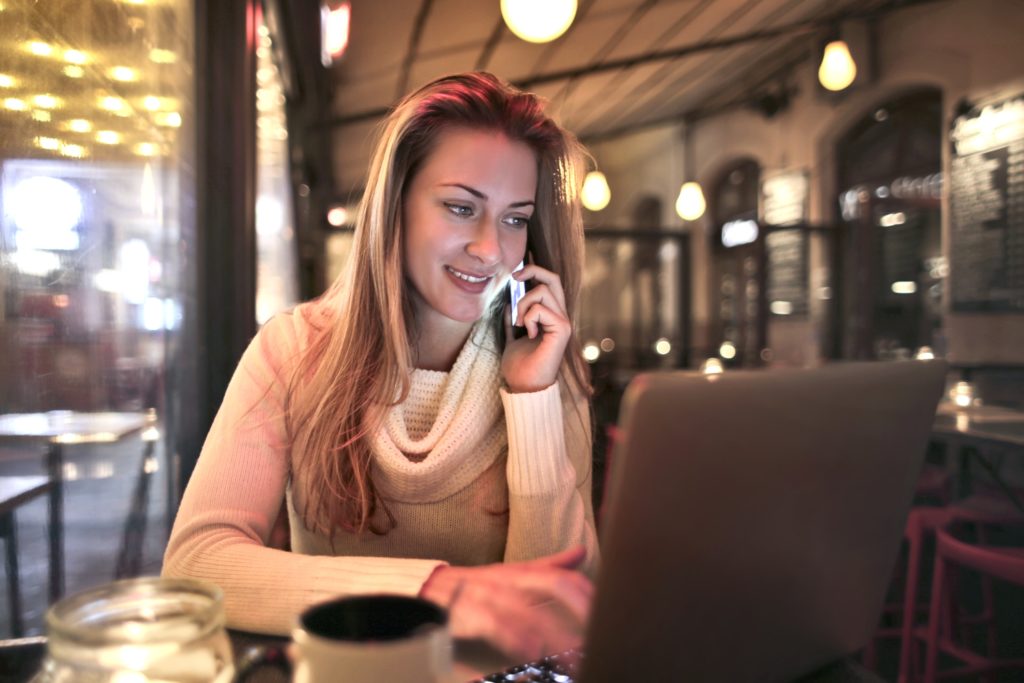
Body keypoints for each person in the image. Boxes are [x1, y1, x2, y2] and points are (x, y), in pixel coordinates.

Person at [163, 71, 599, 660]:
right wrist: (436, 593)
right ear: (395, 206)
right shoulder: (293, 350)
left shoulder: (546, 367)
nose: (491, 248)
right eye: (460, 207)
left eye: (515, 218)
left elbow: (555, 616)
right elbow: (196, 565)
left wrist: (532, 398)